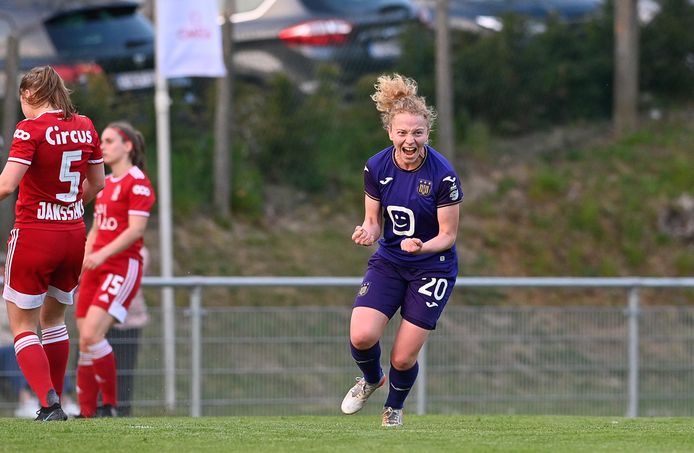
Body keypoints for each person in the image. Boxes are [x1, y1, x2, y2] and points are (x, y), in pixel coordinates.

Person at [340, 74, 463, 427]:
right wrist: (366, 232)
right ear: (391, 133)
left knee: (404, 358)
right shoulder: (376, 166)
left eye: (418, 133)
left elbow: (448, 236)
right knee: (361, 335)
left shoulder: (443, 176)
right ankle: (370, 379)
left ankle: (393, 408)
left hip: (433, 268)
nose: (410, 141)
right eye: (403, 133)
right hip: (390, 261)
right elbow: (373, 221)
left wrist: (423, 245)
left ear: (428, 133)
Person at [0, 65, 105, 421]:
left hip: (34, 234)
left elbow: (6, 185)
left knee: (22, 325)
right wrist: (69, 206)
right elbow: (98, 183)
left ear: (30, 95)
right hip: (73, 234)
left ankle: (48, 403)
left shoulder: (29, 129)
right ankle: (56, 400)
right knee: (55, 319)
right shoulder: (85, 125)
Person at [75, 121, 155, 418]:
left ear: (128, 146)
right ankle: (86, 412)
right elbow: (96, 228)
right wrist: (84, 259)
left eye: (108, 141)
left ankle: (110, 406)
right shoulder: (106, 183)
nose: (103, 147)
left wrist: (103, 254)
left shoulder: (138, 182)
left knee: (94, 335)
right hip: (96, 267)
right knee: (85, 340)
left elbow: (135, 231)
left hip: (121, 267)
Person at [105, 245, 150, 417]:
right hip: (102, 321)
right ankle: (99, 406)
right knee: (99, 365)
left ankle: (122, 410)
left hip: (129, 321)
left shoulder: (140, 253)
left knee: (124, 370)